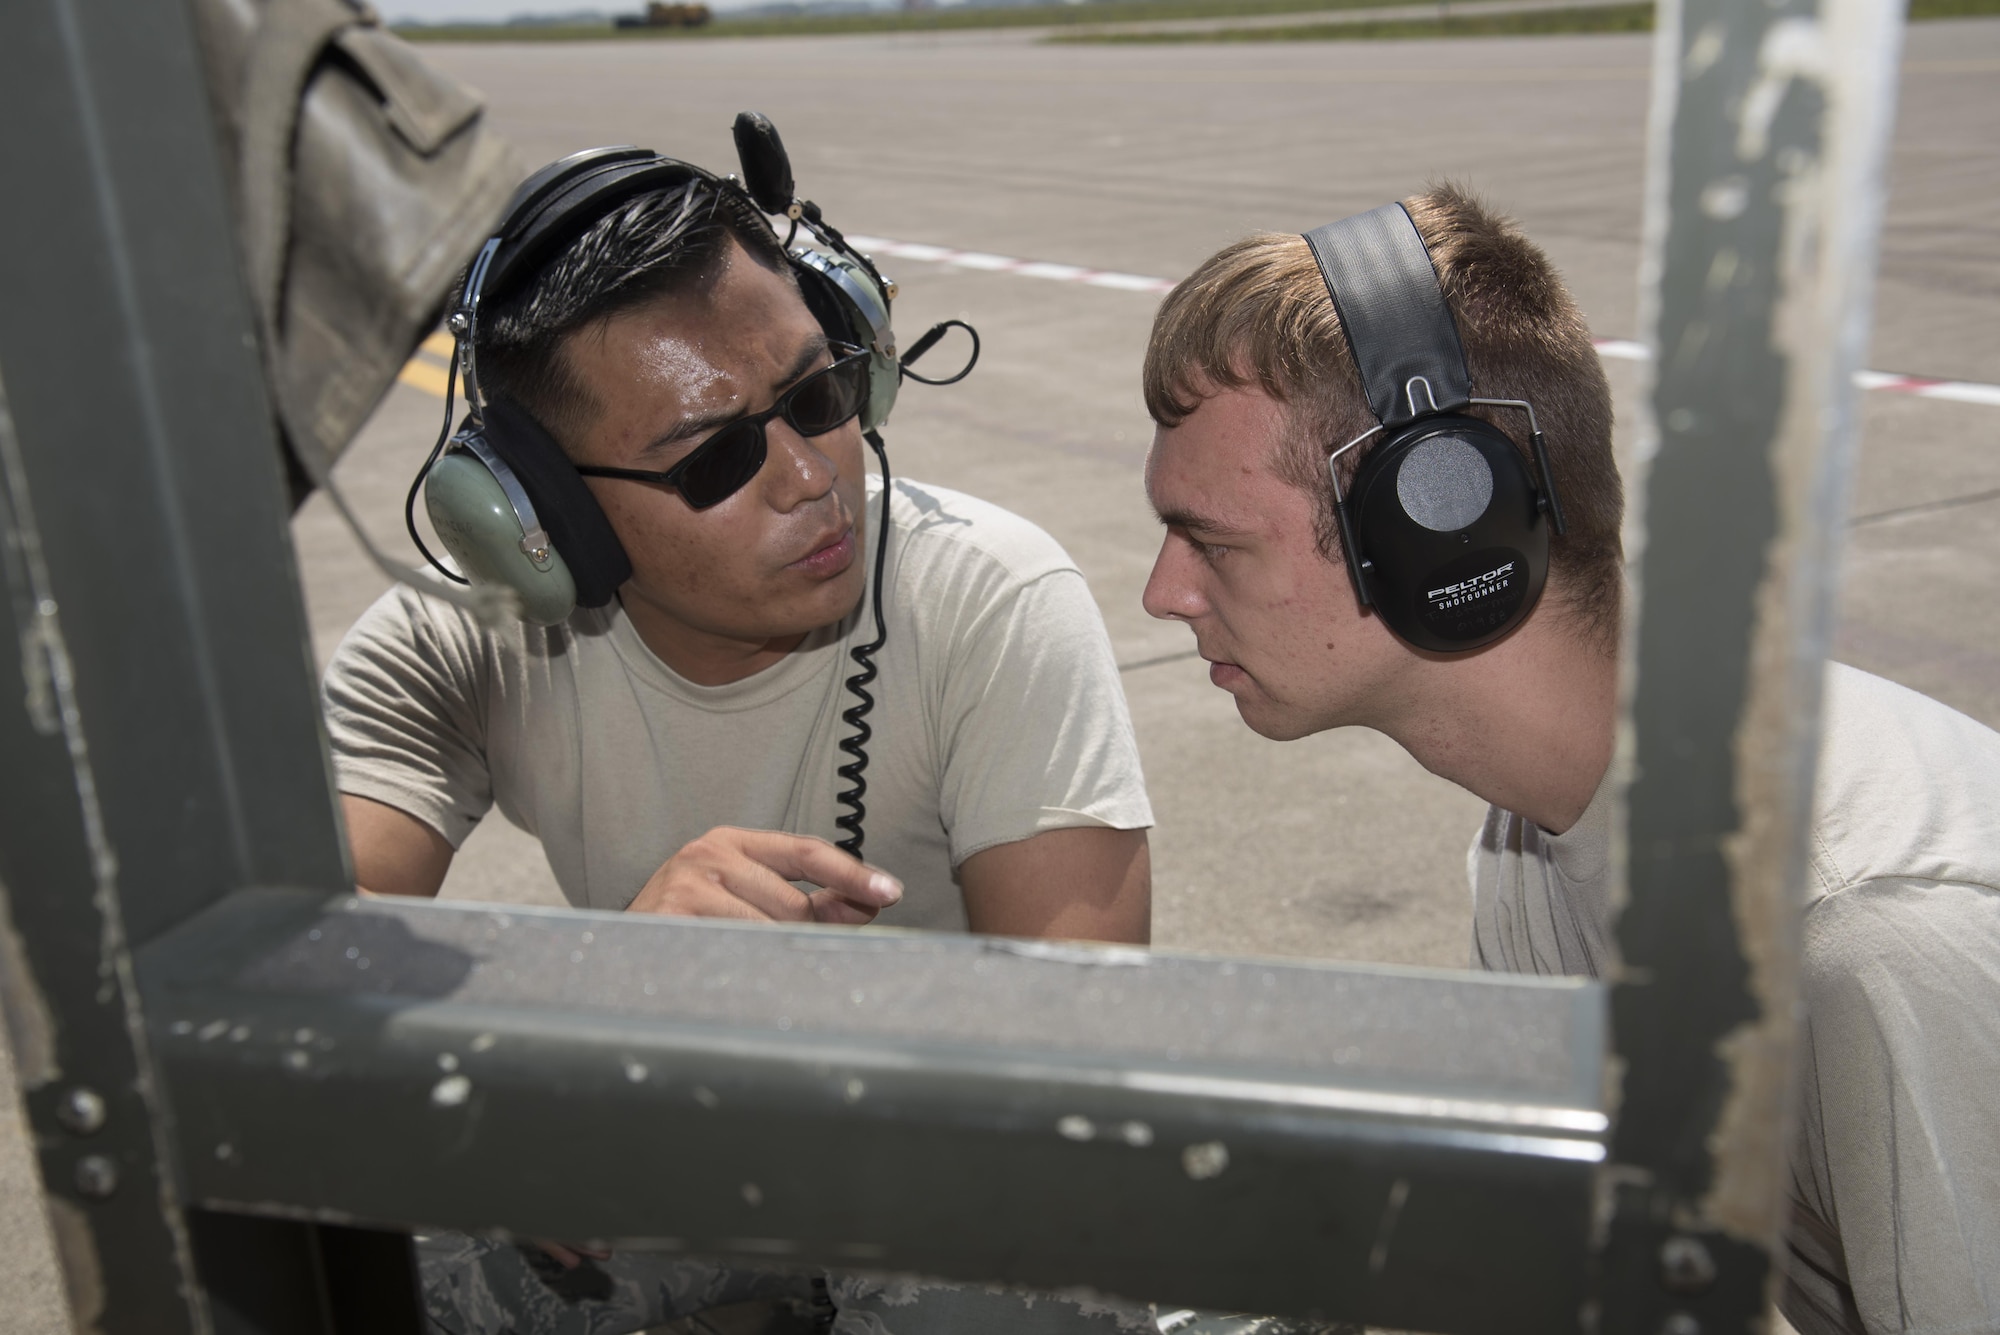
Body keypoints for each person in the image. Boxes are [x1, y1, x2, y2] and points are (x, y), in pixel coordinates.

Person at [1136, 184, 2000, 1335]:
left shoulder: (1865, 939)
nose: (1162, 593)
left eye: (1210, 540)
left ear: (1440, 538)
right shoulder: (1536, 835)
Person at [323, 153, 1154, 1332]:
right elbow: (290, 980)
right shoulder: (458, 637)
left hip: (947, 1145)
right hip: (670, 1149)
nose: (812, 476)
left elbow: (1089, 1054)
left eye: (821, 396)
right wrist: (584, 1009)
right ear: (541, 514)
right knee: (333, 1249)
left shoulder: (988, 595)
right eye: (712, 457)